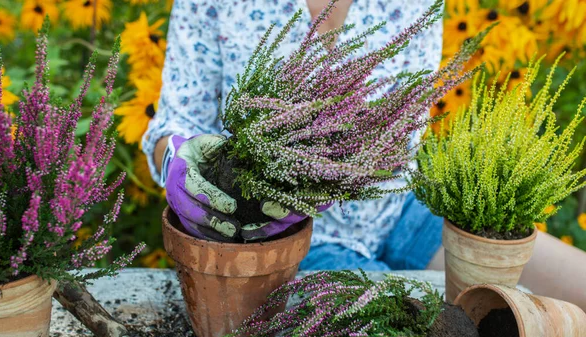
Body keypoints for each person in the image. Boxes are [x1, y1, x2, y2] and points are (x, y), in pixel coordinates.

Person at [143, 0, 586, 310]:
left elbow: (406, 133)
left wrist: (339, 172)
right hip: (276, 235)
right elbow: (172, 125)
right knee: (427, 330)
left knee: (575, 285)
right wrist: (178, 162)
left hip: (396, 210)